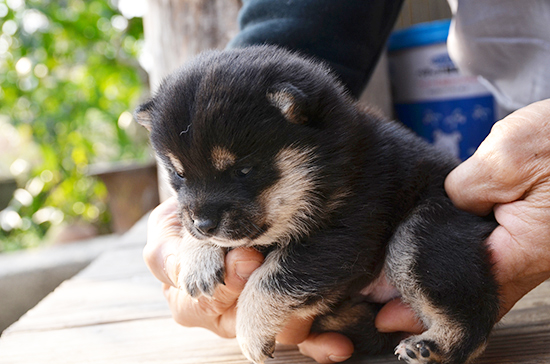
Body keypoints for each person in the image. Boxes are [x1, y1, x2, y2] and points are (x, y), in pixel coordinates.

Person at [143, 1, 550, 363]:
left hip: (427, 216)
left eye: (243, 172)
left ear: (296, 117)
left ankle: (458, 334)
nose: (200, 212)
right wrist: (195, 242)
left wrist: (262, 302)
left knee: (421, 246)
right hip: (523, 106)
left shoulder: (351, 169)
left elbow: (338, 244)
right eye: (181, 176)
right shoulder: (282, 126)